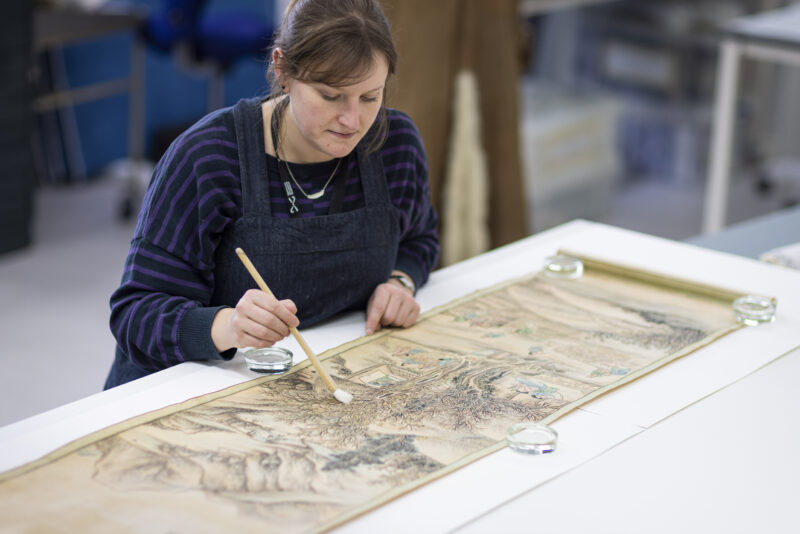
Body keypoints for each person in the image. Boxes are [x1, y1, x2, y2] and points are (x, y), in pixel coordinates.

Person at [104, 0, 439, 389]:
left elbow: (419, 238)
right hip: (184, 390)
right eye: (331, 96)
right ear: (282, 69)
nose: (352, 121)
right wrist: (226, 326)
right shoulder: (209, 158)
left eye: (370, 97)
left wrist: (400, 282)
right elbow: (135, 313)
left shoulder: (393, 144)